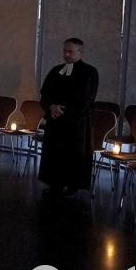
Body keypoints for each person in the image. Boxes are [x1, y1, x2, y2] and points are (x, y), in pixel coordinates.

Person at [38, 38, 99, 197]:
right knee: (54, 154)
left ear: (80, 52)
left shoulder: (90, 72)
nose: (66, 54)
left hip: (76, 123)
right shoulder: (56, 70)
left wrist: (64, 112)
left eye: (70, 51)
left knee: (73, 155)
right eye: (65, 51)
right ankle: (54, 184)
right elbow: (45, 93)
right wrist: (51, 107)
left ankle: (72, 186)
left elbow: (88, 98)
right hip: (56, 122)